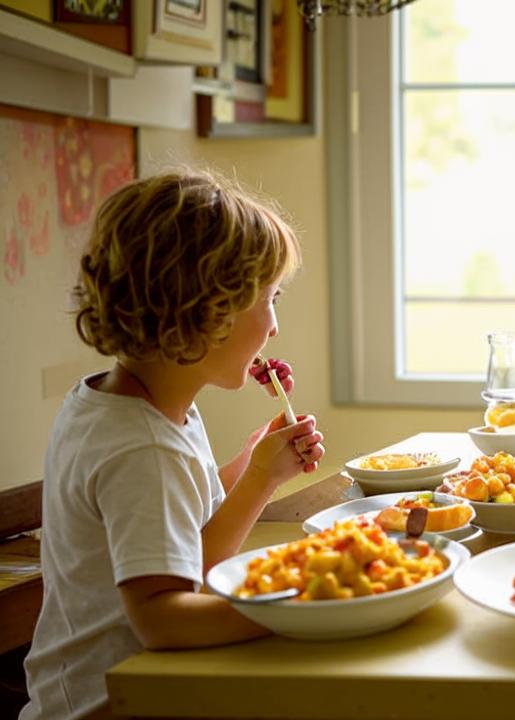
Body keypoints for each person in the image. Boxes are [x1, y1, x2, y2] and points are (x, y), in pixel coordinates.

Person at [21, 170, 327, 718]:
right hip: (114, 703)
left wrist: (256, 468)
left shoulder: (133, 405)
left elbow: (185, 535)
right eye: (269, 300)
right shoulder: (141, 446)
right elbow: (163, 618)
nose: (275, 328)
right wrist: (307, 608)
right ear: (208, 310)